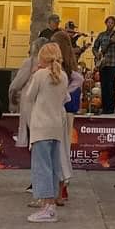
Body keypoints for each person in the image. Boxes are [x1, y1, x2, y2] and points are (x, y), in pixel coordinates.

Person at [23, 42, 69, 223]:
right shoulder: (63, 76)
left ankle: (47, 206)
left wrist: (34, 73)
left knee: (41, 166)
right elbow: (65, 97)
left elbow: (29, 96)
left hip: (41, 126)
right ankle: (52, 202)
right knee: (53, 165)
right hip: (56, 126)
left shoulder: (40, 75)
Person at [52, 30, 83, 204]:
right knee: (64, 147)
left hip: (57, 111)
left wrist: (63, 94)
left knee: (57, 148)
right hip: (67, 111)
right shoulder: (72, 64)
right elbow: (77, 81)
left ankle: (59, 186)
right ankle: (63, 185)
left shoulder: (58, 66)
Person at [93, 16, 115, 115]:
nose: (110, 24)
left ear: (114, 24)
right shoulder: (101, 35)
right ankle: (105, 107)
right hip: (103, 63)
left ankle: (111, 108)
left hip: (113, 63)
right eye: (108, 22)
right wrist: (96, 54)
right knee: (104, 85)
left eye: (112, 23)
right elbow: (95, 47)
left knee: (111, 85)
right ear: (106, 23)